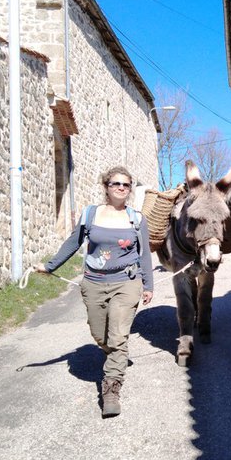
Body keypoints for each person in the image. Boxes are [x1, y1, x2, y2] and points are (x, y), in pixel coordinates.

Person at [35, 166, 153, 418]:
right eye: (116, 184)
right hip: (94, 283)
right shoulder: (91, 214)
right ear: (106, 186)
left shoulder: (136, 218)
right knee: (101, 336)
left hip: (126, 283)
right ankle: (113, 355)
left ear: (130, 189)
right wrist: (50, 266)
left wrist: (148, 285)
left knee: (119, 336)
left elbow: (144, 254)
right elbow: (73, 242)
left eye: (126, 185)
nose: (121, 188)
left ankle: (111, 389)